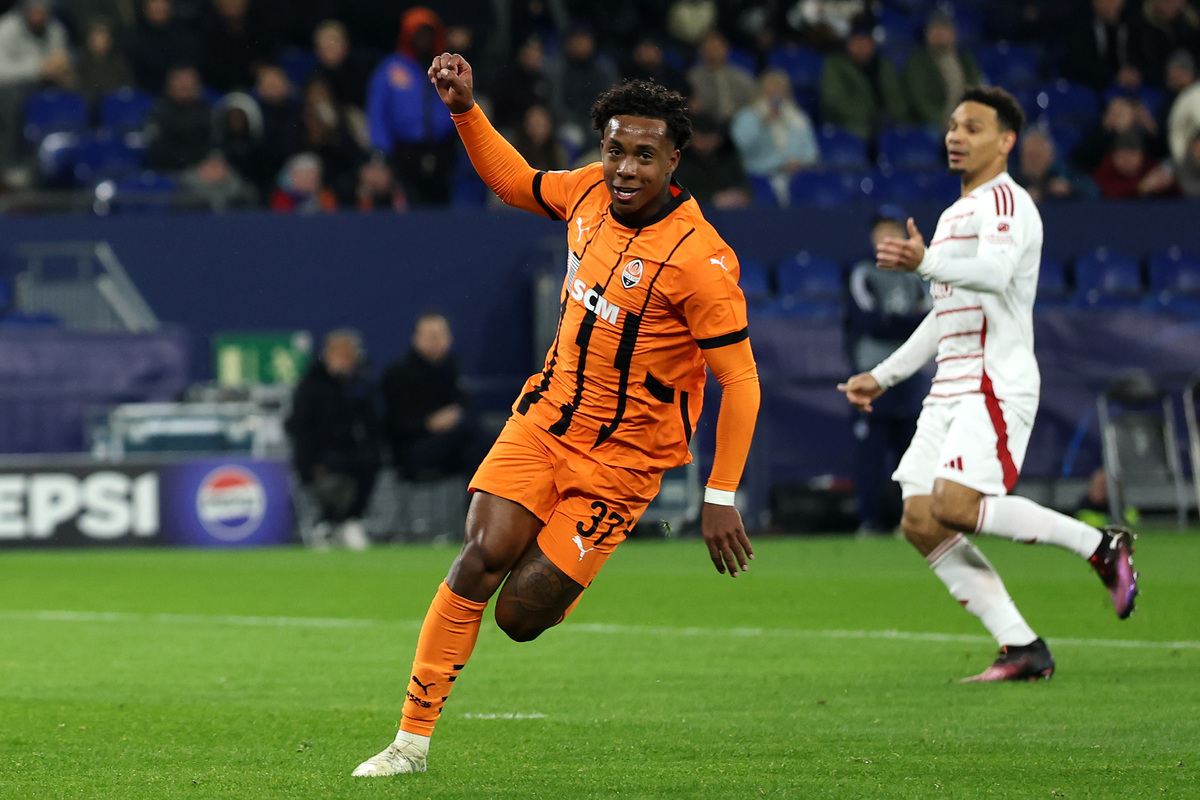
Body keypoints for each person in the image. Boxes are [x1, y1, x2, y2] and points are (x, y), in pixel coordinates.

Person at [352, 51, 760, 777]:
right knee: (480, 556)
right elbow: (514, 182)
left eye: (643, 155)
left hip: (623, 464)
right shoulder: (586, 193)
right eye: (614, 150)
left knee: (518, 616)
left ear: (673, 159)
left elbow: (741, 379)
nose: (625, 169)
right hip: (543, 424)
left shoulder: (701, 261)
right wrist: (464, 108)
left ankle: (569, 562)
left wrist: (720, 494)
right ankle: (409, 744)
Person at [837, 86, 1139, 683]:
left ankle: (1100, 545)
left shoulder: (1007, 201)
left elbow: (997, 274)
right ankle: (1021, 646)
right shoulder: (954, 215)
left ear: (1005, 142)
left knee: (954, 505)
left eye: (973, 127)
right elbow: (945, 312)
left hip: (993, 381)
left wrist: (925, 262)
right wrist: (884, 374)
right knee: (919, 519)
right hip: (949, 386)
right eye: (953, 125)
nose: (956, 135)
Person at [843, 206, 931, 535]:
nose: (887, 237)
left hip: (911, 376)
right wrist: (904, 325)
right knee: (871, 451)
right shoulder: (862, 271)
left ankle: (912, 520)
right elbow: (869, 322)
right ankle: (870, 521)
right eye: (882, 231)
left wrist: (894, 323)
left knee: (912, 452)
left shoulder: (917, 275)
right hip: (873, 375)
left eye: (893, 230)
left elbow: (930, 319)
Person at [286, 328, 381, 551]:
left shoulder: (360, 386)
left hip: (349, 453)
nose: (343, 361)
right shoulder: (310, 385)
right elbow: (299, 428)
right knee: (333, 473)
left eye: (348, 355)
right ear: (327, 355)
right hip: (318, 457)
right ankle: (327, 523)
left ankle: (350, 521)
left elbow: (371, 424)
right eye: (339, 354)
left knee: (370, 461)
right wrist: (311, 464)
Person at [365, 6, 458, 207]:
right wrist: (381, 153)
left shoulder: (447, 68)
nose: (423, 39)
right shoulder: (391, 69)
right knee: (410, 210)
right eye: (418, 33)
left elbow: (463, 105)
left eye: (428, 33)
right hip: (404, 154)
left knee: (443, 211)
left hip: (443, 152)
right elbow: (377, 113)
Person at [380, 311, 484, 483]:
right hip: (412, 449)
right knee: (474, 435)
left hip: (450, 444)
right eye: (431, 336)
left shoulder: (451, 368)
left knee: (476, 448)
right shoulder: (397, 373)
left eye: (441, 335)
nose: (436, 341)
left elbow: (466, 405)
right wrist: (429, 423)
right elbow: (394, 423)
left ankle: (479, 499)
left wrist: (452, 418)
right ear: (416, 338)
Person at [819, 14, 906, 141]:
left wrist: (892, 114)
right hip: (850, 124)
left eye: (865, 41)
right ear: (848, 44)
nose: (861, 46)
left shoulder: (883, 65)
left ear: (873, 44)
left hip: (887, 123)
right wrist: (870, 114)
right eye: (857, 41)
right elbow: (834, 101)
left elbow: (897, 98)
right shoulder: (835, 65)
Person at [902, 9, 981, 129]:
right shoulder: (918, 62)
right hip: (934, 123)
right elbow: (921, 101)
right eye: (935, 29)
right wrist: (944, 123)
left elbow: (976, 92)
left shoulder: (965, 60)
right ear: (927, 34)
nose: (940, 34)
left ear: (953, 34)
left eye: (944, 29)